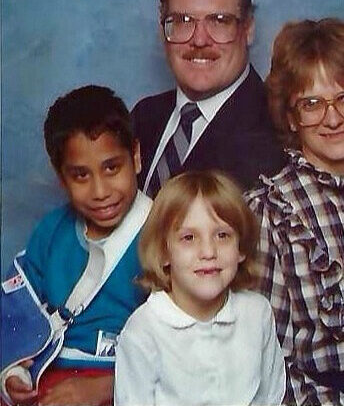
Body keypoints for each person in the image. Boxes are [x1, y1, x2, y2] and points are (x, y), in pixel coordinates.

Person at [244, 18, 344, 405]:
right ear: (292, 117)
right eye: (311, 104)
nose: (332, 119)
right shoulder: (271, 210)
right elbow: (266, 359)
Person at [1, 85, 152, 406]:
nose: (100, 191)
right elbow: (15, 312)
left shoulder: (164, 235)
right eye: (81, 176)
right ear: (61, 178)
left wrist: (103, 389)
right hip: (45, 379)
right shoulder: (51, 232)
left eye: (112, 168)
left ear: (136, 157)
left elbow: (185, 345)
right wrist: (13, 374)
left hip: (123, 385)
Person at [114, 170, 286, 406]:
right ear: (164, 252)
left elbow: (270, 396)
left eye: (222, 235)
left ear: (241, 248)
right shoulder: (143, 332)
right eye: (189, 238)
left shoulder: (257, 314)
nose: (208, 252)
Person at [131, 0, 285, 197]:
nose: (200, 40)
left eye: (219, 21)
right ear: (163, 31)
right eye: (182, 20)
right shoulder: (144, 116)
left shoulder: (281, 131)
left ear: (248, 29)